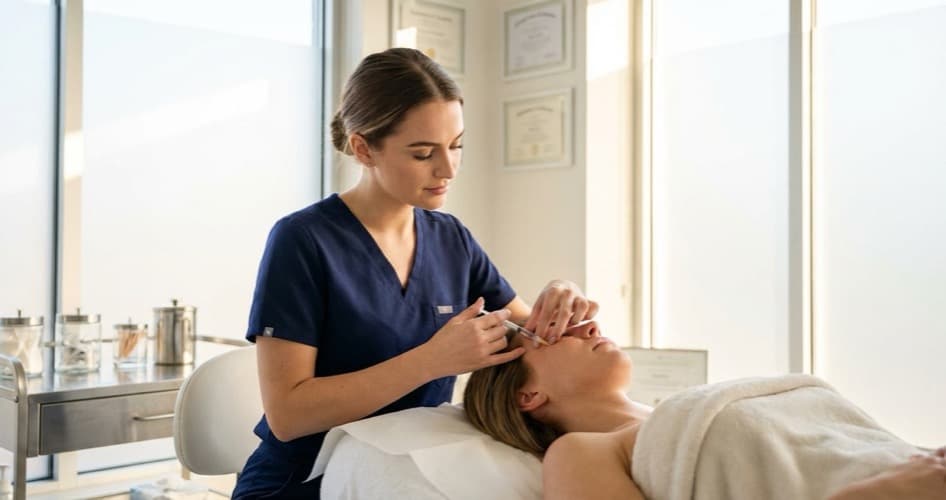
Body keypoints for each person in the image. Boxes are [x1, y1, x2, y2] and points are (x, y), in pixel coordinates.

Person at [232, 47, 598, 499]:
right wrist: (431, 361)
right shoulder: (303, 240)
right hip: (304, 483)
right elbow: (287, 415)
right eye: (423, 153)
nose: (447, 169)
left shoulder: (451, 239)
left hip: (402, 475)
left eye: (456, 145)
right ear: (364, 148)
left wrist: (561, 293)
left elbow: (529, 334)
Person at [464, 322, 946, 500]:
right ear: (527, 396)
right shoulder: (578, 453)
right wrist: (886, 491)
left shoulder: (691, 408)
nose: (586, 328)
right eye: (553, 337)